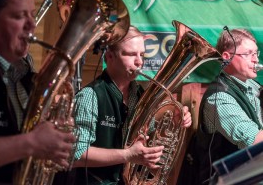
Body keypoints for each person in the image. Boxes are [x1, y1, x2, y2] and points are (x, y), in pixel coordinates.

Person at [0, 0, 76, 184]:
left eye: (32, 15)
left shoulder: (19, 72)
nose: (32, 25)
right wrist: (31, 143)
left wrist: (51, 140)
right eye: (19, 16)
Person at [72, 26, 192, 184]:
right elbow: (76, 154)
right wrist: (127, 155)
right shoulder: (90, 96)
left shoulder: (139, 95)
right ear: (109, 57)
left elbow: (149, 143)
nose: (139, 62)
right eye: (130, 54)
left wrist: (175, 122)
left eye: (141, 54)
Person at [180, 28, 262, 185]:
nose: (255, 60)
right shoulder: (219, 98)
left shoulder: (254, 87)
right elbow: (254, 140)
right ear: (227, 57)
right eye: (248, 54)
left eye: (256, 53)